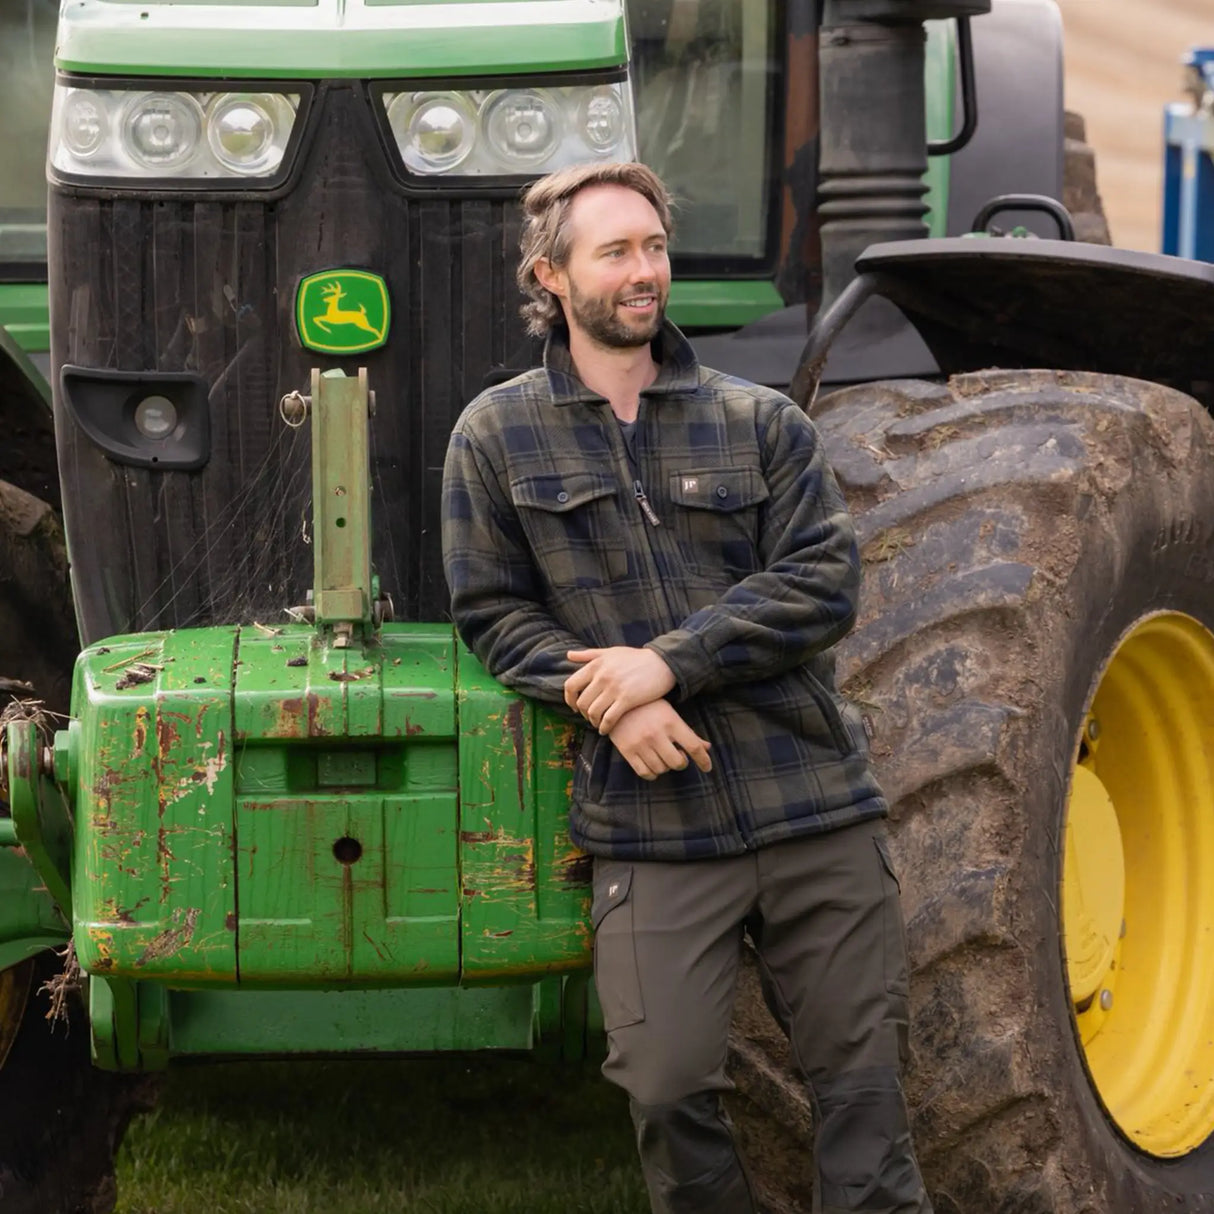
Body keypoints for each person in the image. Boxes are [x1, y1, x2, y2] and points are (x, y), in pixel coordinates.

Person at [441, 161, 931, 1214]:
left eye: (653, 247)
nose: (643, 270)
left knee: (863, 1095)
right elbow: (491, 613)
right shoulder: (495, 434)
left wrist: (665, 662)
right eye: (614, 250)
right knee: (664, 1091)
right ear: (550, 274)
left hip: (809, 802)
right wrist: (611, 693)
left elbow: (820, 583)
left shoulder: (758, 422)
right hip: (652, 822)